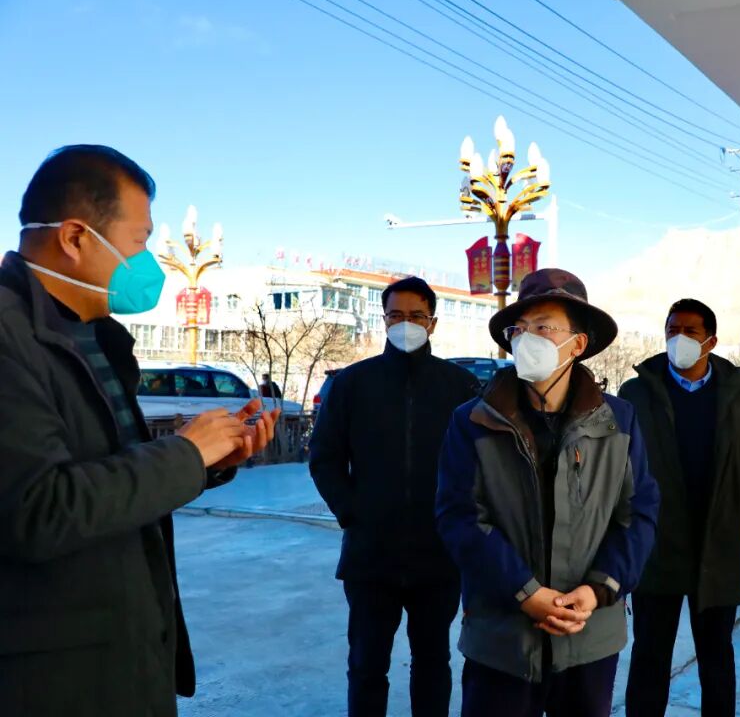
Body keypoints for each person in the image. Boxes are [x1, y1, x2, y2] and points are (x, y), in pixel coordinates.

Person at [0, 145, 279, 716]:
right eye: (139, 240)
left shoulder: (95, 335)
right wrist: (184, 454)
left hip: (122, 652)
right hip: (52, 678)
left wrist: (209, 458)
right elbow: (38, 509)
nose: (147, 261)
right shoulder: (10, 338)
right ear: (74, 238)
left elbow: (106, 468)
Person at [436, 268, 660, 717]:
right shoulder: (473, 420)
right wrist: (525, 593)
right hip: (501, 640)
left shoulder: (619, 421)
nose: (527, 339)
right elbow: (460, 517)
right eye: (519, 329)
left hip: (588, 636)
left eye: (543, 327)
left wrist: (599, 589)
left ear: (577, 344)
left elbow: (638, 513)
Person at [308, 276, 479, 717]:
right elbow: (324, 457)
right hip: (370, 556)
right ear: (383, 320)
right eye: (397, 315)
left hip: (438, 556)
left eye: (417, 316)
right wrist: (352, 512)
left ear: (433, 322)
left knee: (433, 663)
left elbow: (480, 464)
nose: (407, 324)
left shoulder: (459, 386)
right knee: (367, 665)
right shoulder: (352, 383)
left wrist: (461, 526)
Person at [620, 298, 740, 717]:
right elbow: (617, 465)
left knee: (716, 654)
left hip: (718, 544)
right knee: (650, 654)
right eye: (672, 330)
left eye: (690, 331)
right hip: (657, 544)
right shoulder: (638, 392)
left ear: (711, 340)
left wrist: (737, 508)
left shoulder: (737, 393)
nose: (679, 338)